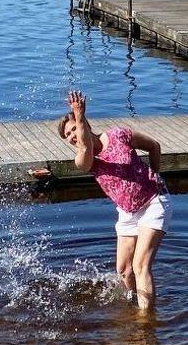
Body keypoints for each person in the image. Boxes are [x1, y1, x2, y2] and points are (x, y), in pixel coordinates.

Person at [55, 89, 169, 311]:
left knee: (140, 265)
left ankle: (146, 323)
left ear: (85, 124)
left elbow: (154, 146)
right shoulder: (83, 160)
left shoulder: (118, 135)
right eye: (67, 135)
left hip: (154, 202)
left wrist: (156, 174)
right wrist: (78, 116)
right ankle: (135, 308)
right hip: (128, 212)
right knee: (124, 271)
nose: (71, 136)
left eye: (73, 129)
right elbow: (86, 147)